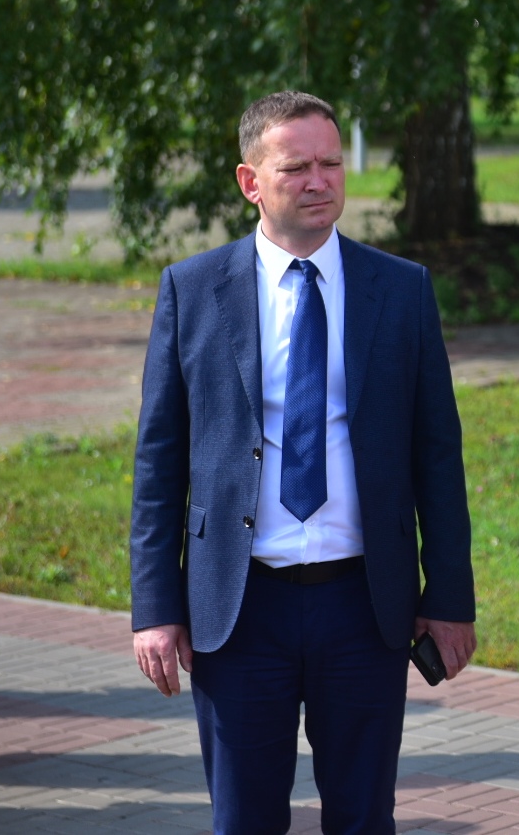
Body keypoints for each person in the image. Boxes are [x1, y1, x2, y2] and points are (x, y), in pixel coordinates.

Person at [129, 90, 477, 835]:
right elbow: (159, 461)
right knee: (244, 819)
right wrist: (156, 607)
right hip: (239, 608)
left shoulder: (400, 289)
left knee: (363, 817)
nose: (320, 182)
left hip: (363, 605)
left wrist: (449, 596)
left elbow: (437, 454)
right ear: (250, 182)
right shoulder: (193, 290)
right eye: (296, 168)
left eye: (331, 164)